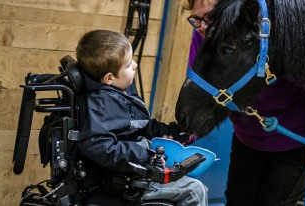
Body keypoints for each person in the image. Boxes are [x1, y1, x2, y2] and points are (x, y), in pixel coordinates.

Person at [185, 0, 305, 206]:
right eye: (197, 19)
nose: (202, 27)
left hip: (294, 140)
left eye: (210, 18)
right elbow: (207, 91)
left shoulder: (277, 35)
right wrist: (184, 133)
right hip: (248, 138)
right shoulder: (204, 36)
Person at [76, 29, 208, 206]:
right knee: (195, 190)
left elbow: (139, 125)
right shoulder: (103, 103)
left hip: (133, 172)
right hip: (121, 183)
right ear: (109, 78)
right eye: (128, 64)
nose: (135, 65)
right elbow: (98, 145)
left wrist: (173, 133)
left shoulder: (118, 91)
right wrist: (145, 154)